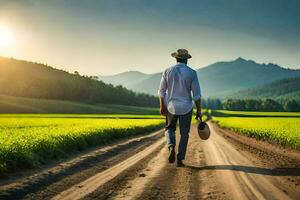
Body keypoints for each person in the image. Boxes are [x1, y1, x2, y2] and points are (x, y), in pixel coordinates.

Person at [158, 49, 202, 167]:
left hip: (171, 106)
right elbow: (196, 95)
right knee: (184, 134)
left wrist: (162, 105)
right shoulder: (192, 73)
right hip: (186, 107)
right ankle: (180, 158)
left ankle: (171, 146)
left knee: (169, 129)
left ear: (176, 58)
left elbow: (162, 91)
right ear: (186, 59)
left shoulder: (167, 71)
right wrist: (199, 110)